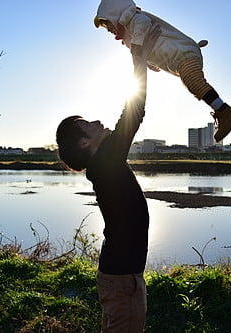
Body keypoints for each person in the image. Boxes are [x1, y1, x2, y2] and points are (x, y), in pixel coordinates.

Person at [56, 24, 161, 332]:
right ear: (85, 144)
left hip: (120, 275)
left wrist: (143, 58)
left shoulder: (104, 164)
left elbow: (127, 117)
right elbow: (134, 110)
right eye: (89, 124)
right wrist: (138, 56)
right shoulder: (105, 164)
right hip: (121, 278)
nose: (98, 121)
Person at [94, 0, 231, 142]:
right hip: (178, 59)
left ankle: (226, 112)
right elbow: (144, 52)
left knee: (194, 82)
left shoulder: (134, 18)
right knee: (192, 85)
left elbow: (143, 25)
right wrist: (147, 62)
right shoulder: (128, 36)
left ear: (115, 15)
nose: (109, 30)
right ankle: (224, 111)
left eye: (108, 25)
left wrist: (137, 49)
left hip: (183, 53)